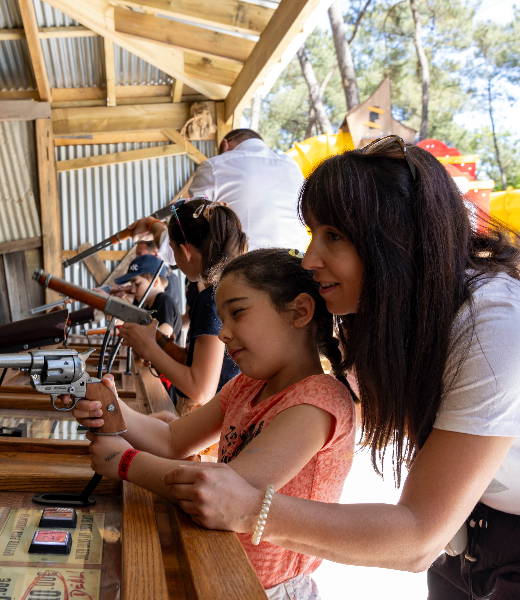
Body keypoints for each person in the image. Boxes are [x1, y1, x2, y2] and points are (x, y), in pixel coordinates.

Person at [161, 136, 520, 599]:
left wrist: (254, 510)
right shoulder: (375, 317)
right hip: (474, 521)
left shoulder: (498, 325)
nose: (310, 260)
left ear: (399, 237)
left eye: (334, 236)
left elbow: (416, 538)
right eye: (312, 234)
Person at [71, 249, 356, 600]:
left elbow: (226, 493)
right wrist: (111, 408)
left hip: (267, 590)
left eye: (237, 313)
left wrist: (126, 462)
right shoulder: (246, 385)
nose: (223, 334)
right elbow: (174, 440)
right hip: (219, 561)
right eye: (222, 320)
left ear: (298, 312)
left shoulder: (317, 401)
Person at [119, 197, 246, 415]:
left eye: (173, 250)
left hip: (205, 416)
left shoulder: (211, 299)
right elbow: (199, 361)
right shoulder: (228, 291)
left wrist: (148, 347)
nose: (175, 260)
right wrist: (156, 339)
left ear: (185, 251)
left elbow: (201, 389)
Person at [128, 129, 307, 265]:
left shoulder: (216, 166)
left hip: (248, 276)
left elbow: (183, 246)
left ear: (224, 145)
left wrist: (153, 225)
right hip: (297, 269)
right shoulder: (292, 168)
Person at [112, 254, 182, 343]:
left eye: (137, 284)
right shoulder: (147, 307)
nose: (133, 290)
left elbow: (164, 335)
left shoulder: (165, 301)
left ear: (155, 281)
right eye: (132, 285)